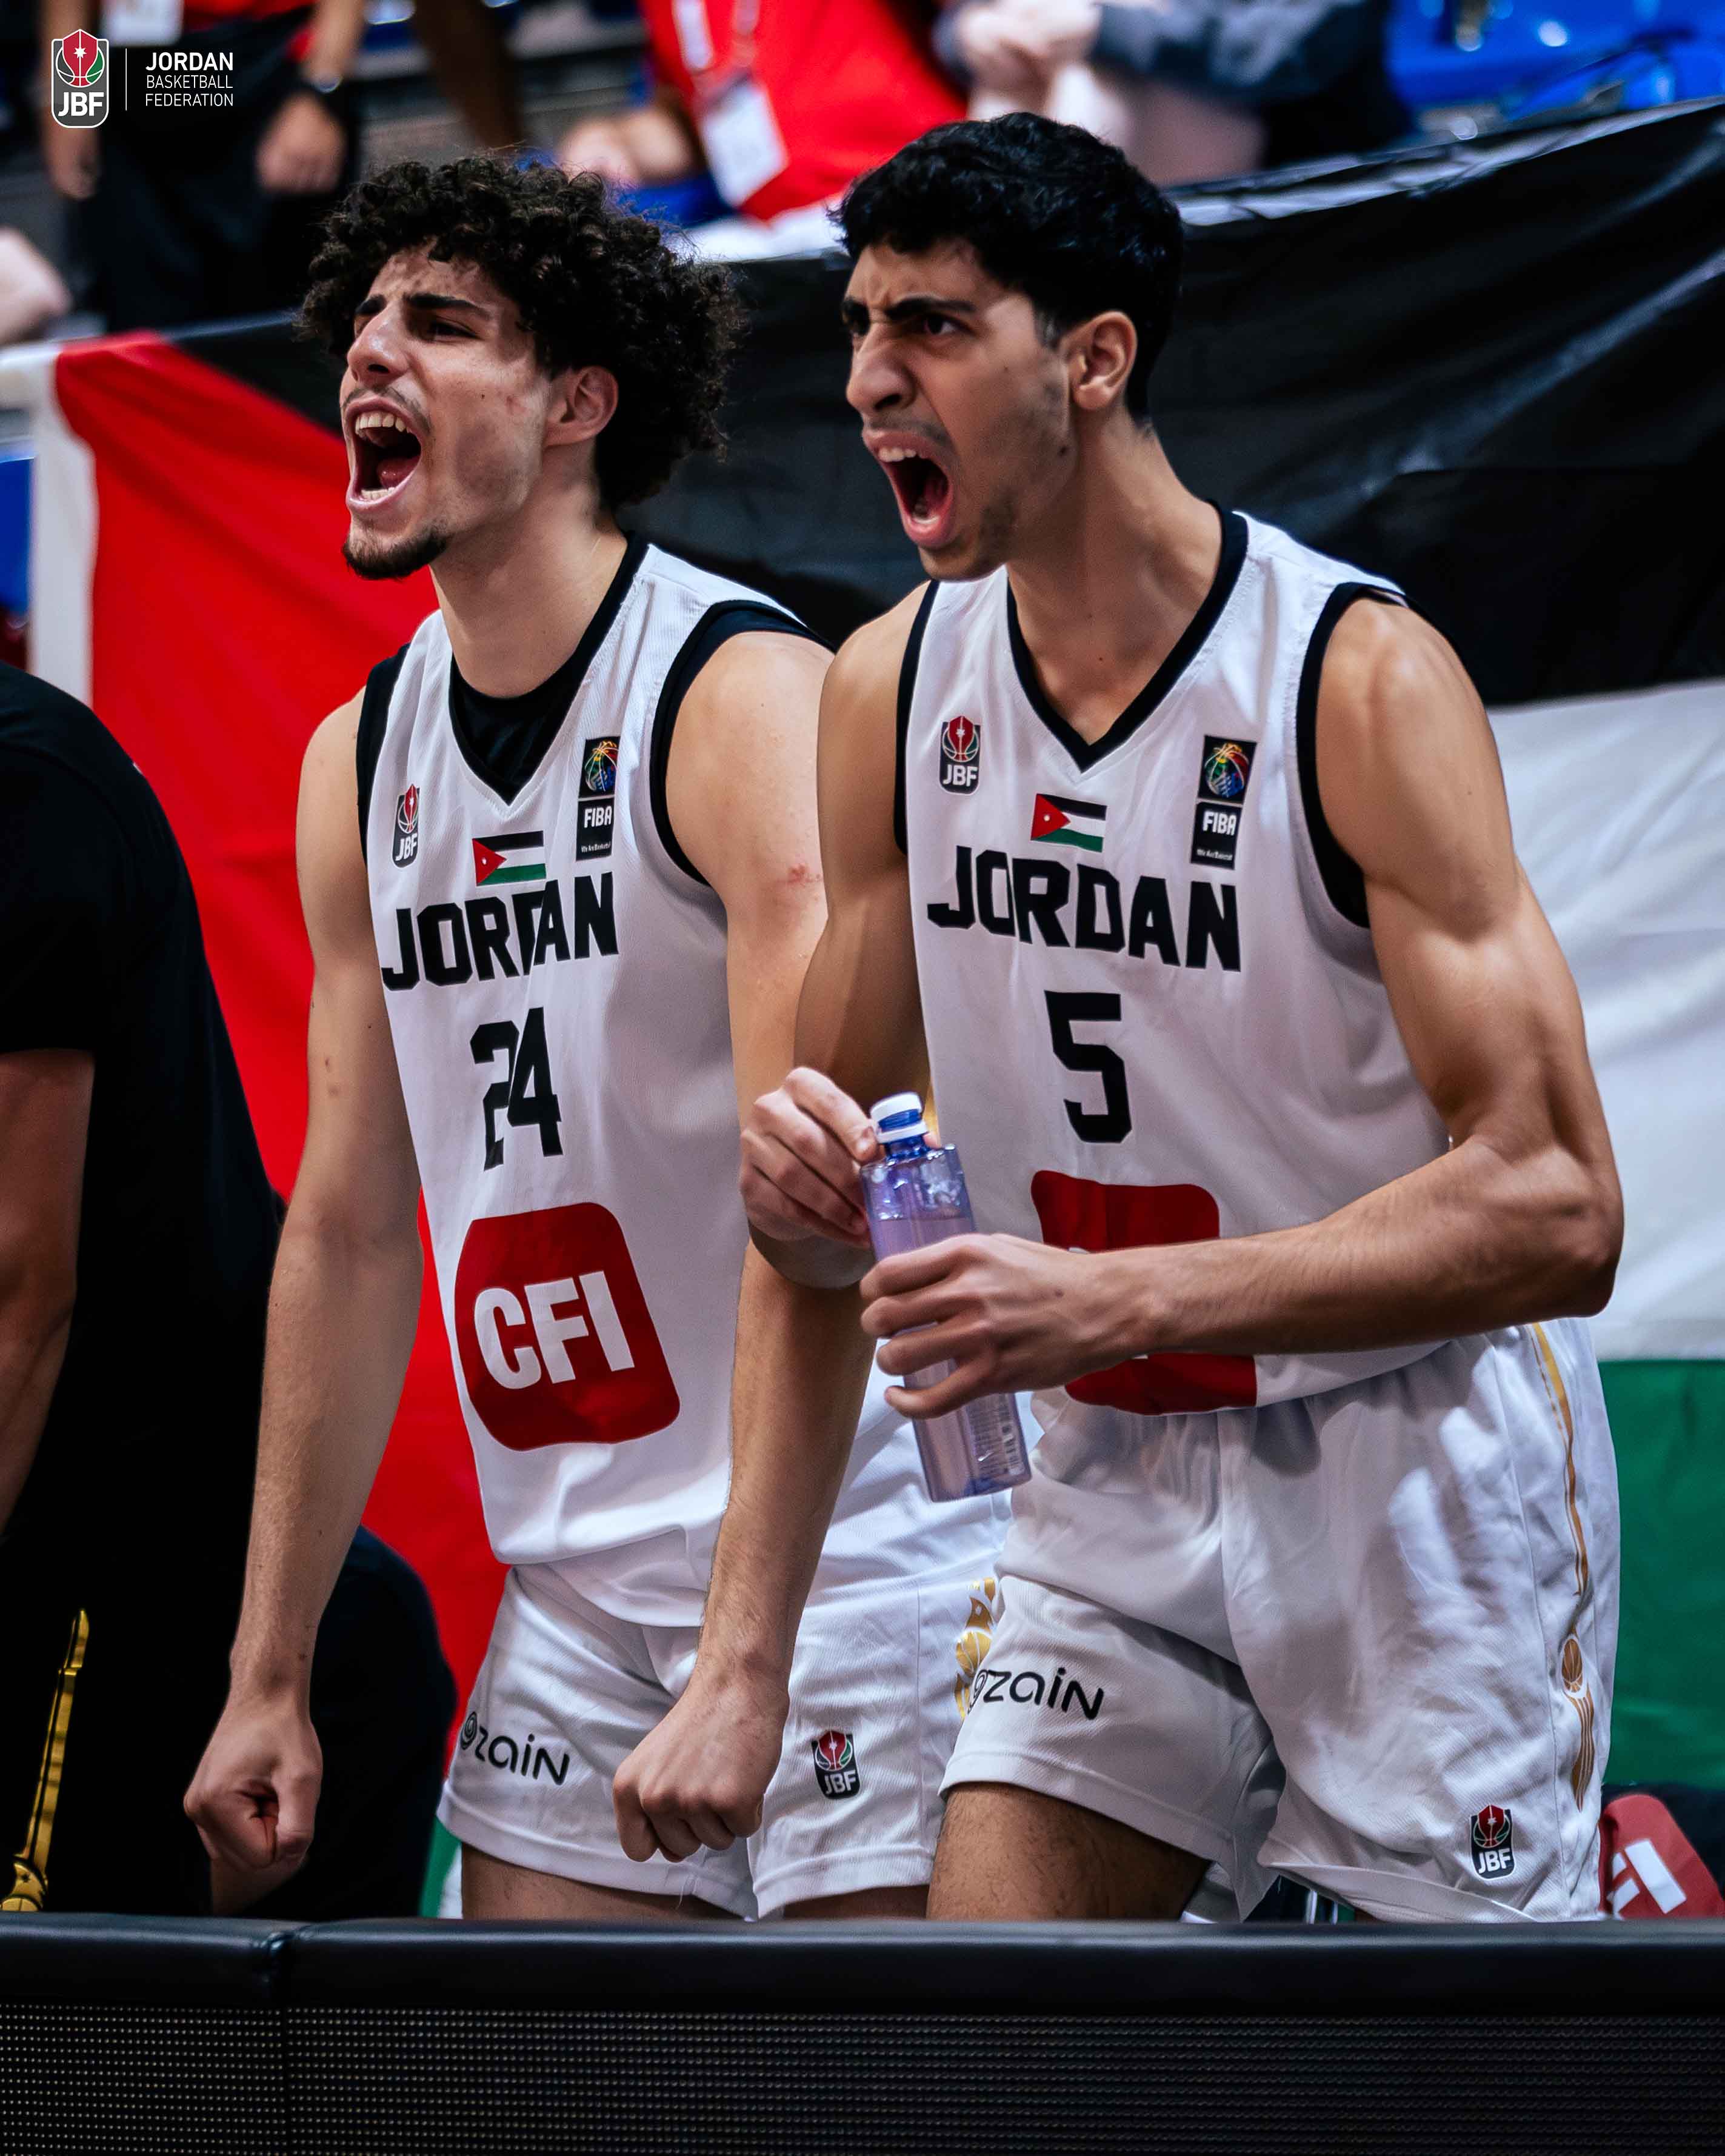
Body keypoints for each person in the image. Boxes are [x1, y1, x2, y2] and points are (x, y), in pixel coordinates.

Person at [739, 113, 1622, 1923]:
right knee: (991, 2026)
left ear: (1092, 359)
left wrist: (1117, 1297)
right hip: (1111, 1462)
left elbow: (1559, 1206)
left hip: (1398, 1458)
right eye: (857, 325)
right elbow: (837, 1200)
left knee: (1429, 2063)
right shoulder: (887, 689)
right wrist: (793, 1186)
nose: (866, 379)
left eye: (930, 326)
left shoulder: (1351, 680)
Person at [187, 156, 1007, 1922]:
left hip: (857, 1553)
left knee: (884, 2066)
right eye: (365, 320)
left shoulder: (736, 697)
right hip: (573, 1587)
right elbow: (348, 1230)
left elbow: (824, 1204)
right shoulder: (359, 761)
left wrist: (746, 1654)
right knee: (547, 2067)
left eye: (441, 324)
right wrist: (270, 1668)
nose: (371, 354)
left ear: (576, 404)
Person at [0, 664, 447, 1921]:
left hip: (144, 1583)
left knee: (103, 2023)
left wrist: (270, 1670)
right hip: (158, 1576)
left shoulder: (28, 785)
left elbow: (18, 1293)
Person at [41, 0, 363, 330]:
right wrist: (70, 96)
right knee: (144, 325)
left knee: (288, 321)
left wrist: (320, 91)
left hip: (271, 69)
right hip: (133, 81)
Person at [937, 0, 1406, 182]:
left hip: (1308, 180)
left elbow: (1281, 53)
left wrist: (1106, 29)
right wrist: (969, 33)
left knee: (1097, 53)